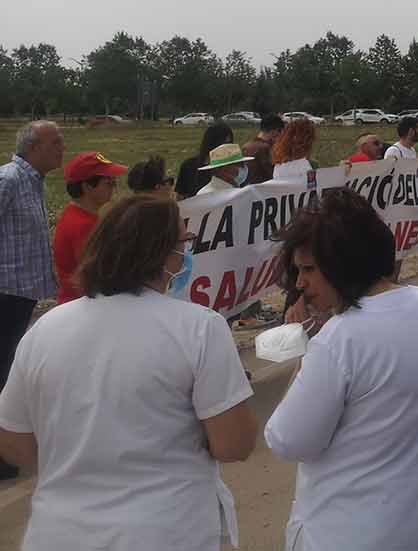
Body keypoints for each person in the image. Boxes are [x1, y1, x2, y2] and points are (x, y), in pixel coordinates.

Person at [0, 192, 257, 547]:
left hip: (59, 532)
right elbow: (234, 444)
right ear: (162, 253)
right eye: (183, 243)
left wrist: (74, 464)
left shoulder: (44, 330)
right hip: (165, 531)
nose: (186, 253)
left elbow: (11, 439)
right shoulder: (199, 327)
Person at [265, 188, 418, 551]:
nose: (300, 284)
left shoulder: (338, 338)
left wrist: (308, 348)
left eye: (308, 269)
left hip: (343, 535)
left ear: (342, 263)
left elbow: (288, 440)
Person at [0, 121, 64, 479]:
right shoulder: (8, 180)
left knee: (9, 369)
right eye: (56, 142)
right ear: (33, 147)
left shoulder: (32, 182)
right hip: (5, 292)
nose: (61, 148)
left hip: (22, 293)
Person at [53, 152, 127, 305]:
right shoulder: (84, 225)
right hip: (83, 305)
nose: (114, 186)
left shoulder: (75, 213)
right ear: (87, 186)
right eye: (109, 182)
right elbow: (99, 274)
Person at [175, 123, 234, 199]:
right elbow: (180, 196)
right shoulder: (188, 166)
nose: (225, 148)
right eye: (223, 144)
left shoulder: (232, 168)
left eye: (229, 144)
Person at [242, 113, 285, 184]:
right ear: (275, 131)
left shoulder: (246, 146)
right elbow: (275, 174)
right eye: (280, 131)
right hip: (265, 189)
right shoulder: (266, 148)